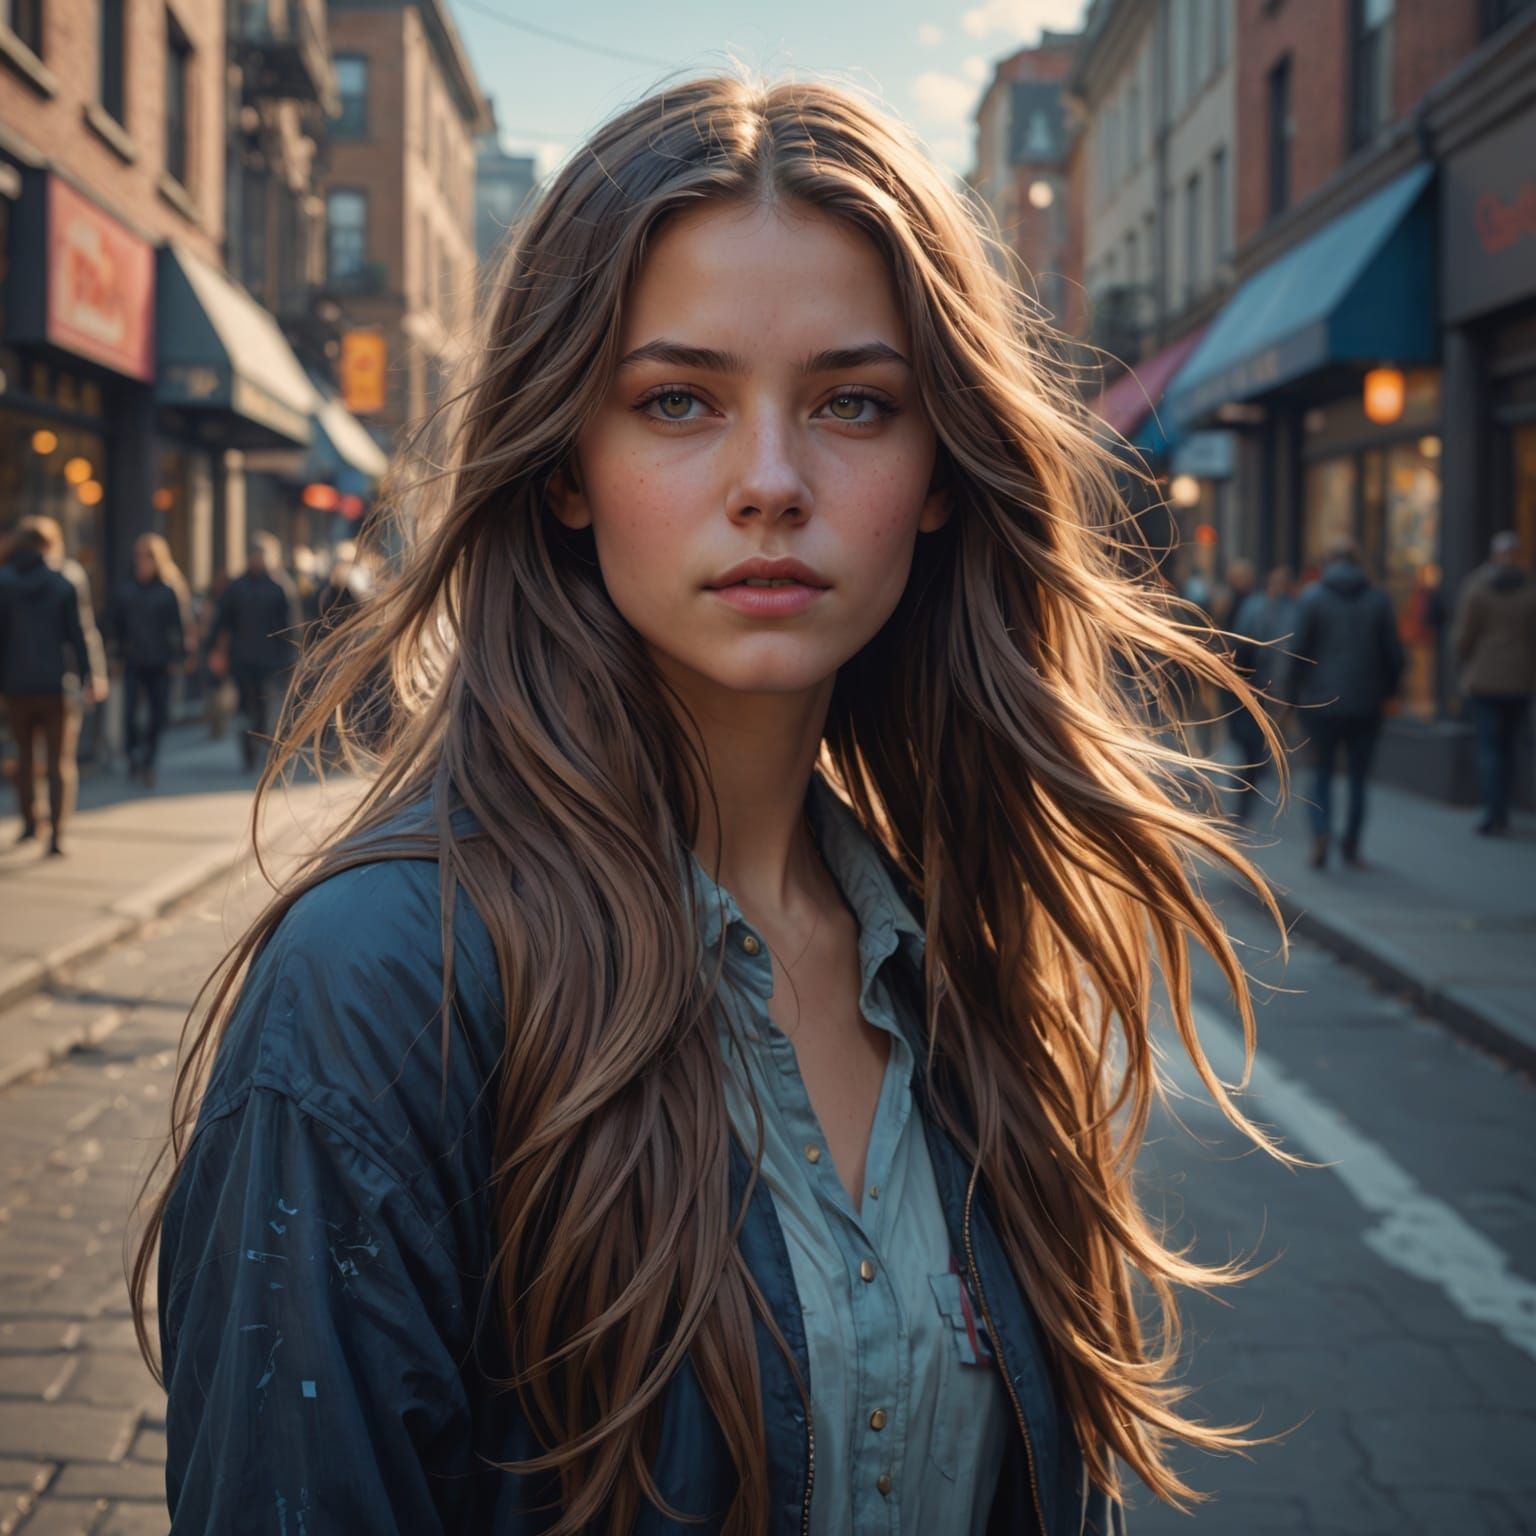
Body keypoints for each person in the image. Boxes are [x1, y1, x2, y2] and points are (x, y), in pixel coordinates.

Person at [133, 76, 1297, 1536]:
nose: (770, 482)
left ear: (940, 473)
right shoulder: (379, 988)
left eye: (854, 404)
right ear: (567, 464)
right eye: (677, 401)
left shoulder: (961, 952)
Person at [1288, 535, 1405, 869]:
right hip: (1365, 704)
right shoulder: (1378, 599)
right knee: (1357, 778)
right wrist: (1388, 692)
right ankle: (1351, 843)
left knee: (1320, 771)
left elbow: (1296, 653)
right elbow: (1394, 655)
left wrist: (1291, 695)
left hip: (1321, 703)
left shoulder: (1313, 598)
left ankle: (1321, 832)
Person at [0, 518, 97, 855]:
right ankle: (56, 834)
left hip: (16, 686)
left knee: (24, 757)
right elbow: (79, 634)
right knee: (60, 763)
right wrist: (90, 676)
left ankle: (29, 823)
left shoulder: (4, 582)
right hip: (57, 685)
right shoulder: (62, 581)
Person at [1452, 530, 1536, 835]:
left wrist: (1466, 663)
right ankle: (1505, 807)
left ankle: (1493, 810)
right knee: (1510, 746)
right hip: (1520, 680)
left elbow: (1463, 637)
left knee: (1490, 747)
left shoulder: (1478, 588)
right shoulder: (1529, 591)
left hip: (1485, 679)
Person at [208, 535, 301, 770]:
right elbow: (222, 620)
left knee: (266, 707)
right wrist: (214, 650)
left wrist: (292, 656)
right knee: (244, 706)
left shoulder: (280, 586)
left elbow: (291, 625)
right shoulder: (237, 587)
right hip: (242, 658)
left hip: (272, 660)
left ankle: (263, 746)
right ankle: (248, 749)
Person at [113, 533, 193, 788]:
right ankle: (133, 754)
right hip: (133, 660)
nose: (142, 562)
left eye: (147, 557)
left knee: (159, 715)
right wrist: (115, 654)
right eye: (138, 556)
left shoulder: (169, 589)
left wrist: (180, 656)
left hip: (160, 661)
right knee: (130, 716)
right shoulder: (126, 590)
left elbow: (179, 627)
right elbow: (115, 627)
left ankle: (149, 760)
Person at [1227, 565, 1298, 823]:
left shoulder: (1263, 608)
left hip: (1259, 686)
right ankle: (1255, 776)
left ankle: (1252, 780)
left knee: (1254, 739)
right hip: (1264, 686)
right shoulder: (1286, 610)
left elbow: (1239, 644)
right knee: (1257, 739)